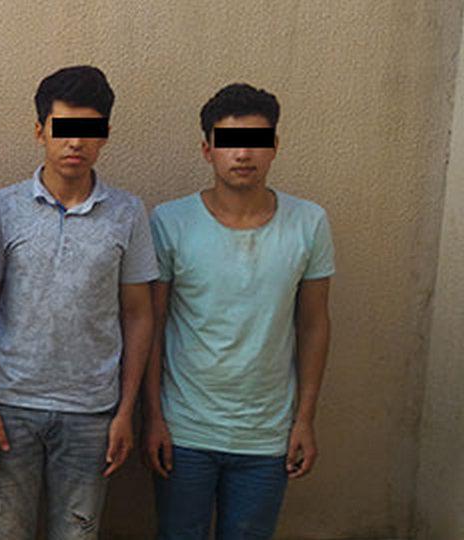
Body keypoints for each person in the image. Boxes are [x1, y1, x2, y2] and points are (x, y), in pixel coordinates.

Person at [143, 83, 334, 539]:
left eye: (256, 141)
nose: (243, 154)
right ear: (207, 150)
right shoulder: (170, 222)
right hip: (185, 430)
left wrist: (305, 419)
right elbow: (152, 324)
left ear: (275, 146)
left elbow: (314, 324)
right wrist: (153, 417)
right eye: (229, 141)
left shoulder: (308, 223)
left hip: (266, 435)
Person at [0, 65, 157, 540]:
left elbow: (139, 315)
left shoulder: (128, 213)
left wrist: (126, 410)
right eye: (63, 129)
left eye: (88, 130)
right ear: (40, 131)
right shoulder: (2, 209)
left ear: (105, 135)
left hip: (92, 411)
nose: (75, 143)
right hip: (12, 406)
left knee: (78, 533)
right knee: (6, 531)